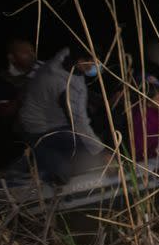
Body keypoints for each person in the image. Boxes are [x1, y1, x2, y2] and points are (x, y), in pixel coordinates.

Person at [17, 46, 108, 183]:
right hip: (41, 129)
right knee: (82, 161)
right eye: (93, 61)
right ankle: (35, 171)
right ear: (80, 61)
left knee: (84, 146)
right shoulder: (66, 87)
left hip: (44, 119)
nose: (98, 65)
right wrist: (101, 151)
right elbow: (79, 123)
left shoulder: (64, 57)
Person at [0, 39, 43, 171]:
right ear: (11, 57)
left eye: (32, 51)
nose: (31, 55)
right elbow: (5, 111)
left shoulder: (43, 69)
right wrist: (25, 92)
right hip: (23, 137)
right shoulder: (2, 80)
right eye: (25, 52)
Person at [131, 82, 159, 160]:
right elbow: (141, 144)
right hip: (148, 160)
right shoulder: (143, 118)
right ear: (148, 103)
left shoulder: (158, 113)